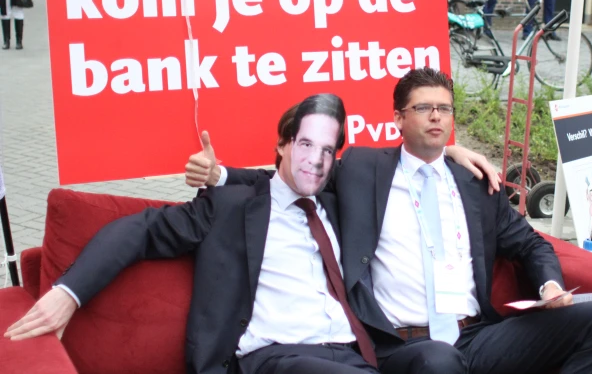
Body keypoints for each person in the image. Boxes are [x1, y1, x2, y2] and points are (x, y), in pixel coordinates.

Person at [200, 68, 592, 374]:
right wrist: (220, 175)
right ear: (398, 119)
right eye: (424, 107)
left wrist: (549, 285)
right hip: (404, 346)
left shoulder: (476, 183)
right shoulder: (362, 170)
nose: (437, 116)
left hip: (475, 336)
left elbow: (532, 244)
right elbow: (294, 176)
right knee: (437, 361)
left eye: (445, 108)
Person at [6, 95, 381, 374]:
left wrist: (443, 154)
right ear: (282, 145)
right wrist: (67, 294)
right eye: (305, 145)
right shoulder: (229, 207)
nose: (316, 160)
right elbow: (141, 231)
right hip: (278, 358)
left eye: (327, 150)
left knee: (436, 360)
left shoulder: (337, 201)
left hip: (351, 353)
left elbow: (398, 163)